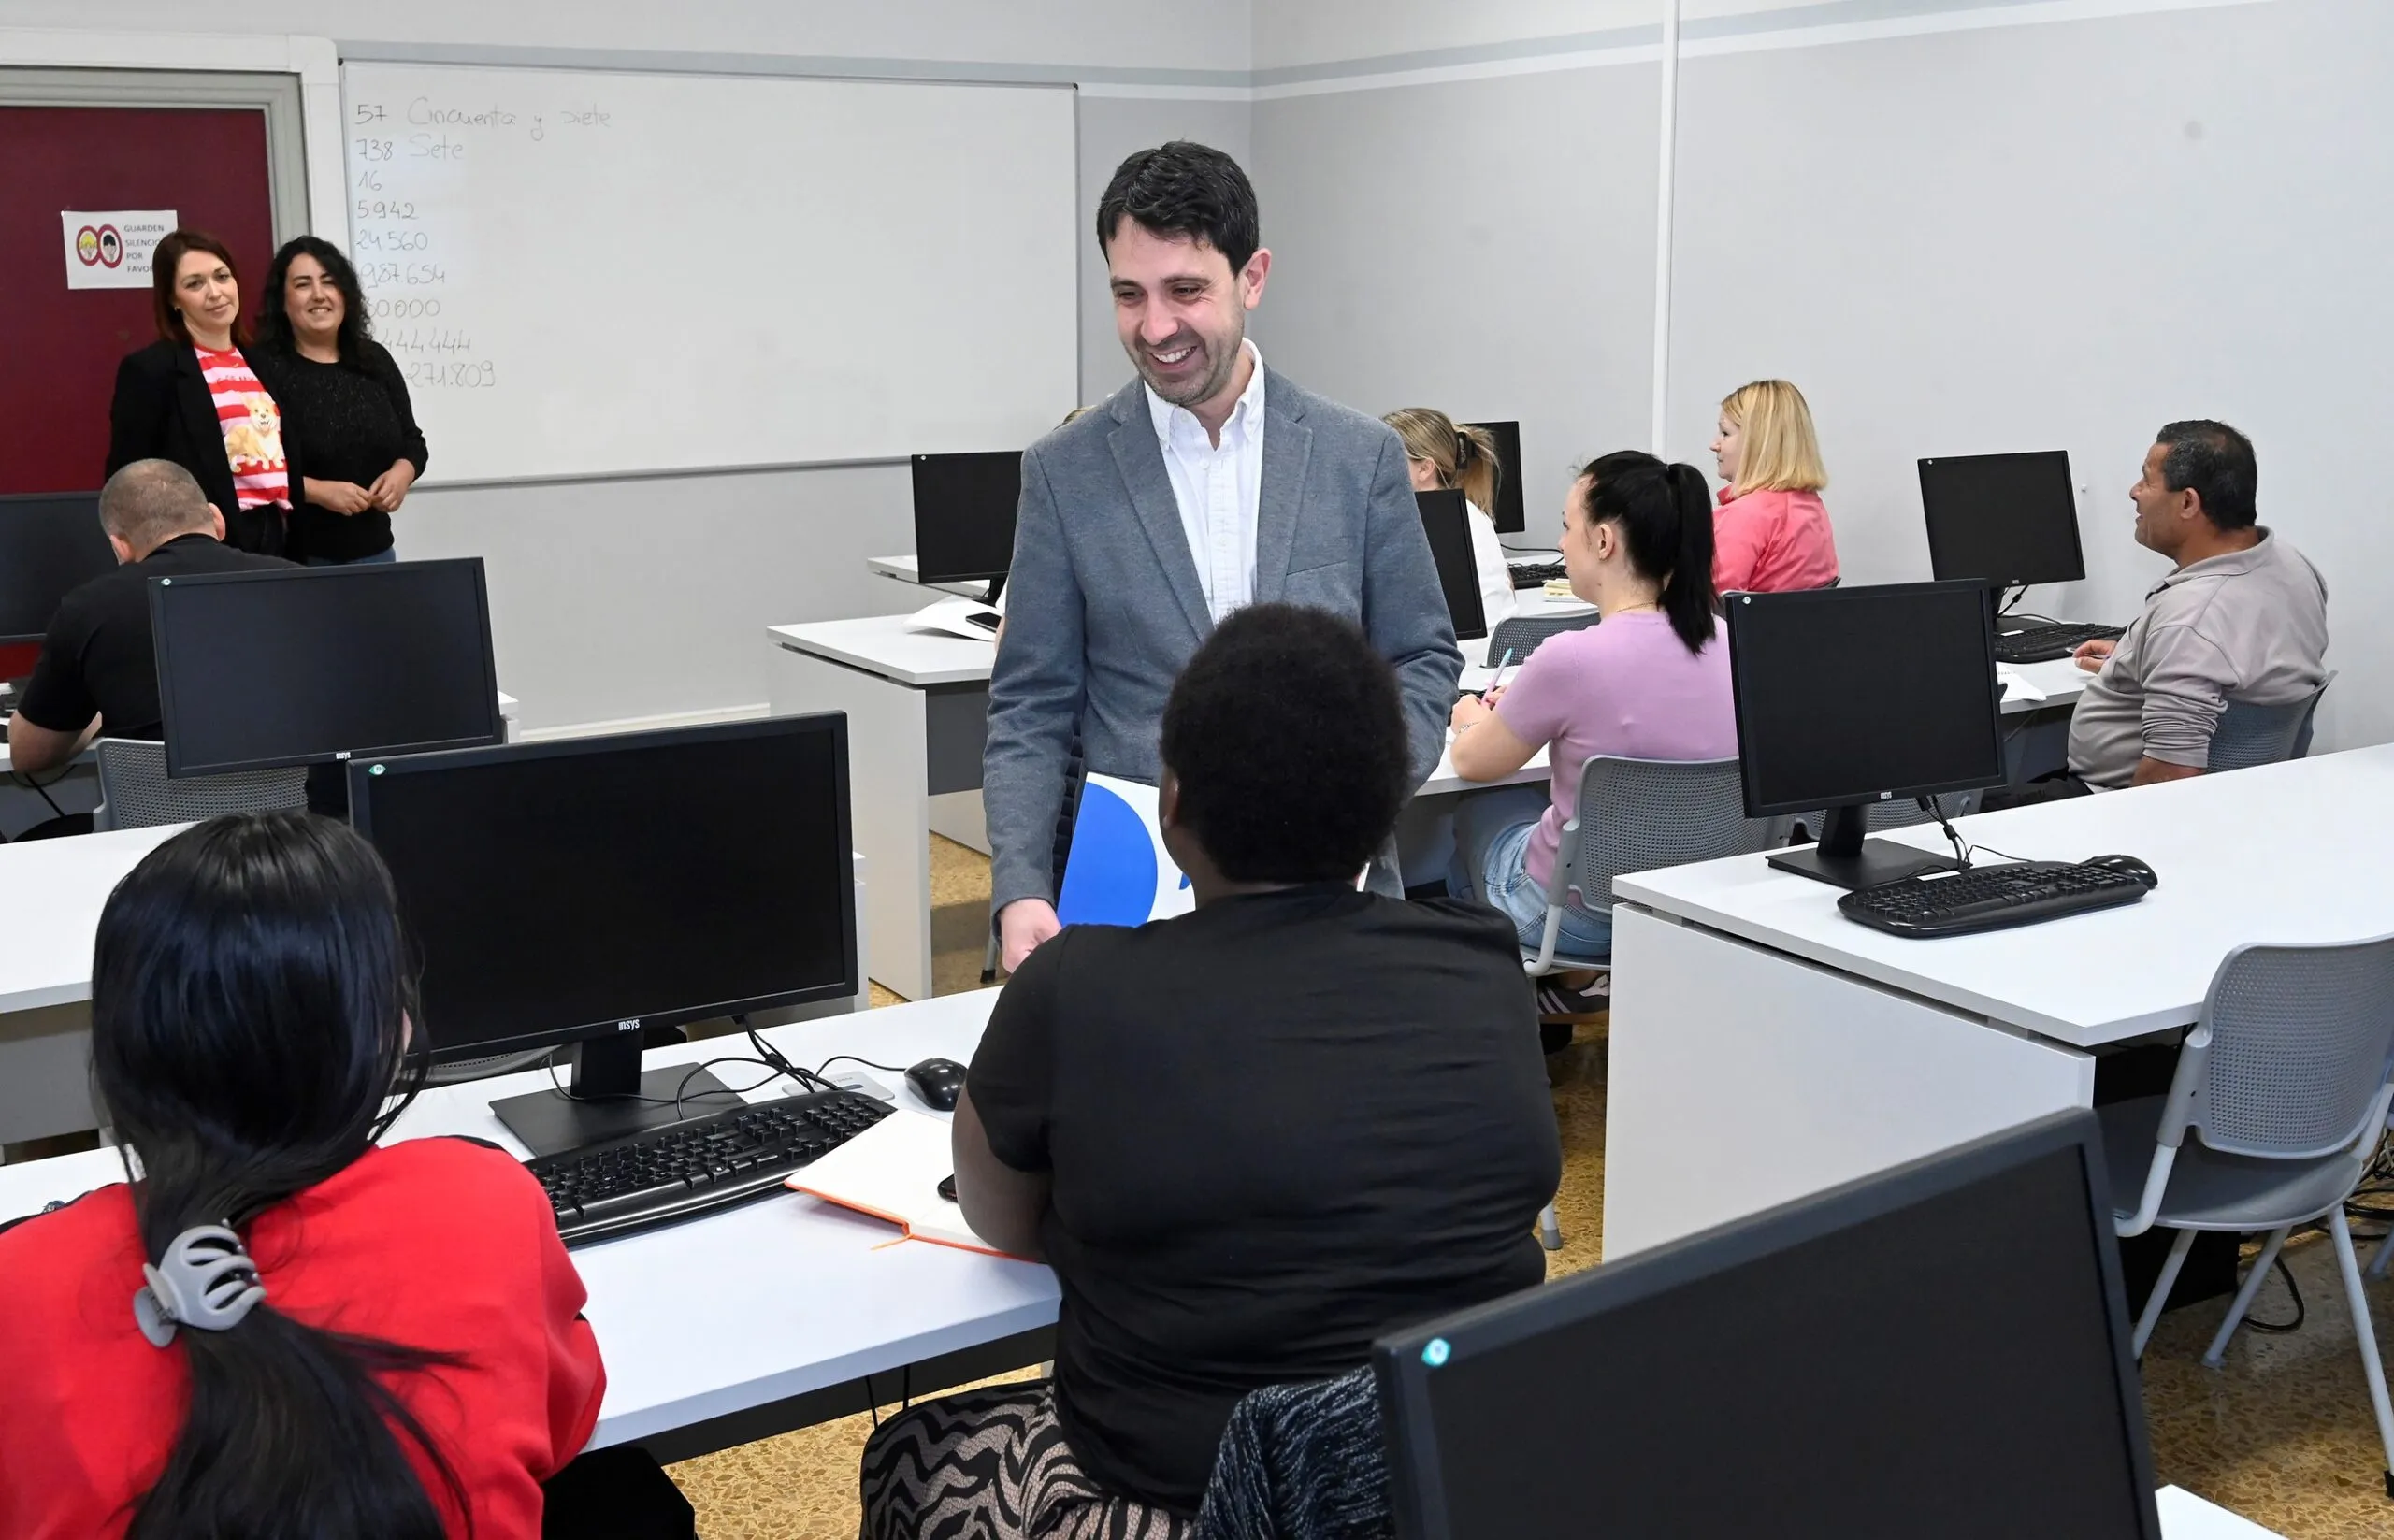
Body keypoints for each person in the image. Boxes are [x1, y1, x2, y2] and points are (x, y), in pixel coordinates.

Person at [863, 604, 1560, 1538]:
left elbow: (1001, 1217)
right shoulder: (1482, 960)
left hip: (1185, 1504)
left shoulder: (1075, 984)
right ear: (1384, 804)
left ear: (1173, 802)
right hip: (1448, 1481)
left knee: (911, 1449)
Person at [0, 813, 604, 1537]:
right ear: (390, 1028)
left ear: (118, 1048)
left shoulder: (19, 1283)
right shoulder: (486, 1200)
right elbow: (566, 1415)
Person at [985, 141, 1461, 973]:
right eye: (1129, 294)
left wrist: (1358, 803)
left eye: (1185, 290)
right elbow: (1031, 703)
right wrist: (1020, 885)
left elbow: (1421, 658)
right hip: (1136, 904)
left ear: (1253, 277)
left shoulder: (1358, 457)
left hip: (1332, 896)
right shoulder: (1064, 472)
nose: (1155, 327)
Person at [1448, 453, 1738, 968]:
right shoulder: (1730, 640)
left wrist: (1470, 718)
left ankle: (1503, 987)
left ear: (1603, 541)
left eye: (1567, 527)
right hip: (1693, 909)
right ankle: (1576, 989)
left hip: (1576, 921)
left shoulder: (1571, 658)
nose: (1560, 544)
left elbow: (1472, 762)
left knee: (1475, 814)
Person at [1993, 420, 2328, 801]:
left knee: (1964, 814)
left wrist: (2174, 646)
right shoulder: (2292, 567)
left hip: (2113, 799)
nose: (2134, 492)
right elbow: (2240, 659)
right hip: (2243, 797)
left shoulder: (2190, 617)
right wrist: (2141, 659)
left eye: (2147, 480)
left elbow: (2167, 784)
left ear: (2187, 503)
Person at [6, 459, 294, 775]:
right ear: (217, 519)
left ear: (120, 547)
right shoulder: (300, 583)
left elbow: (29, 756)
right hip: (294, 805)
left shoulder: (89, 608)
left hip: (161, 808)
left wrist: (97, 719)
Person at [106, 229, 296, 556]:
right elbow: (129, 476)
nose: (215, 292)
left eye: (222, 277)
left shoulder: (263, 363)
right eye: (195, 284)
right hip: (203, 541)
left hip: (276, 533)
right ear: (173, 300)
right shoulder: (151, 369)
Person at [253, 236, 426, 565]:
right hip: (297, 558)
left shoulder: (374, 360)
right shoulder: (262, 369)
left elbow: (413, 442)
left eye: (329, 282)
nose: (319, 294)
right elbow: (251, 468)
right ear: (282, 301)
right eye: (303, 284)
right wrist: (318, 492)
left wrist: (403, 473)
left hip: (377, 552)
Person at [1385, 407, 1519, 627]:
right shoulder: (1471, 511)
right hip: (1500, 644)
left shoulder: (1423, 520)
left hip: (1463, 647)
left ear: (1425, 468)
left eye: (1388, 459)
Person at [1709, 378, 1837, 594]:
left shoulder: (1744, 516)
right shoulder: (1813, 509)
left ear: (1757, 441)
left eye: (1725, 433)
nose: (1714, 445)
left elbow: (1706, 604)